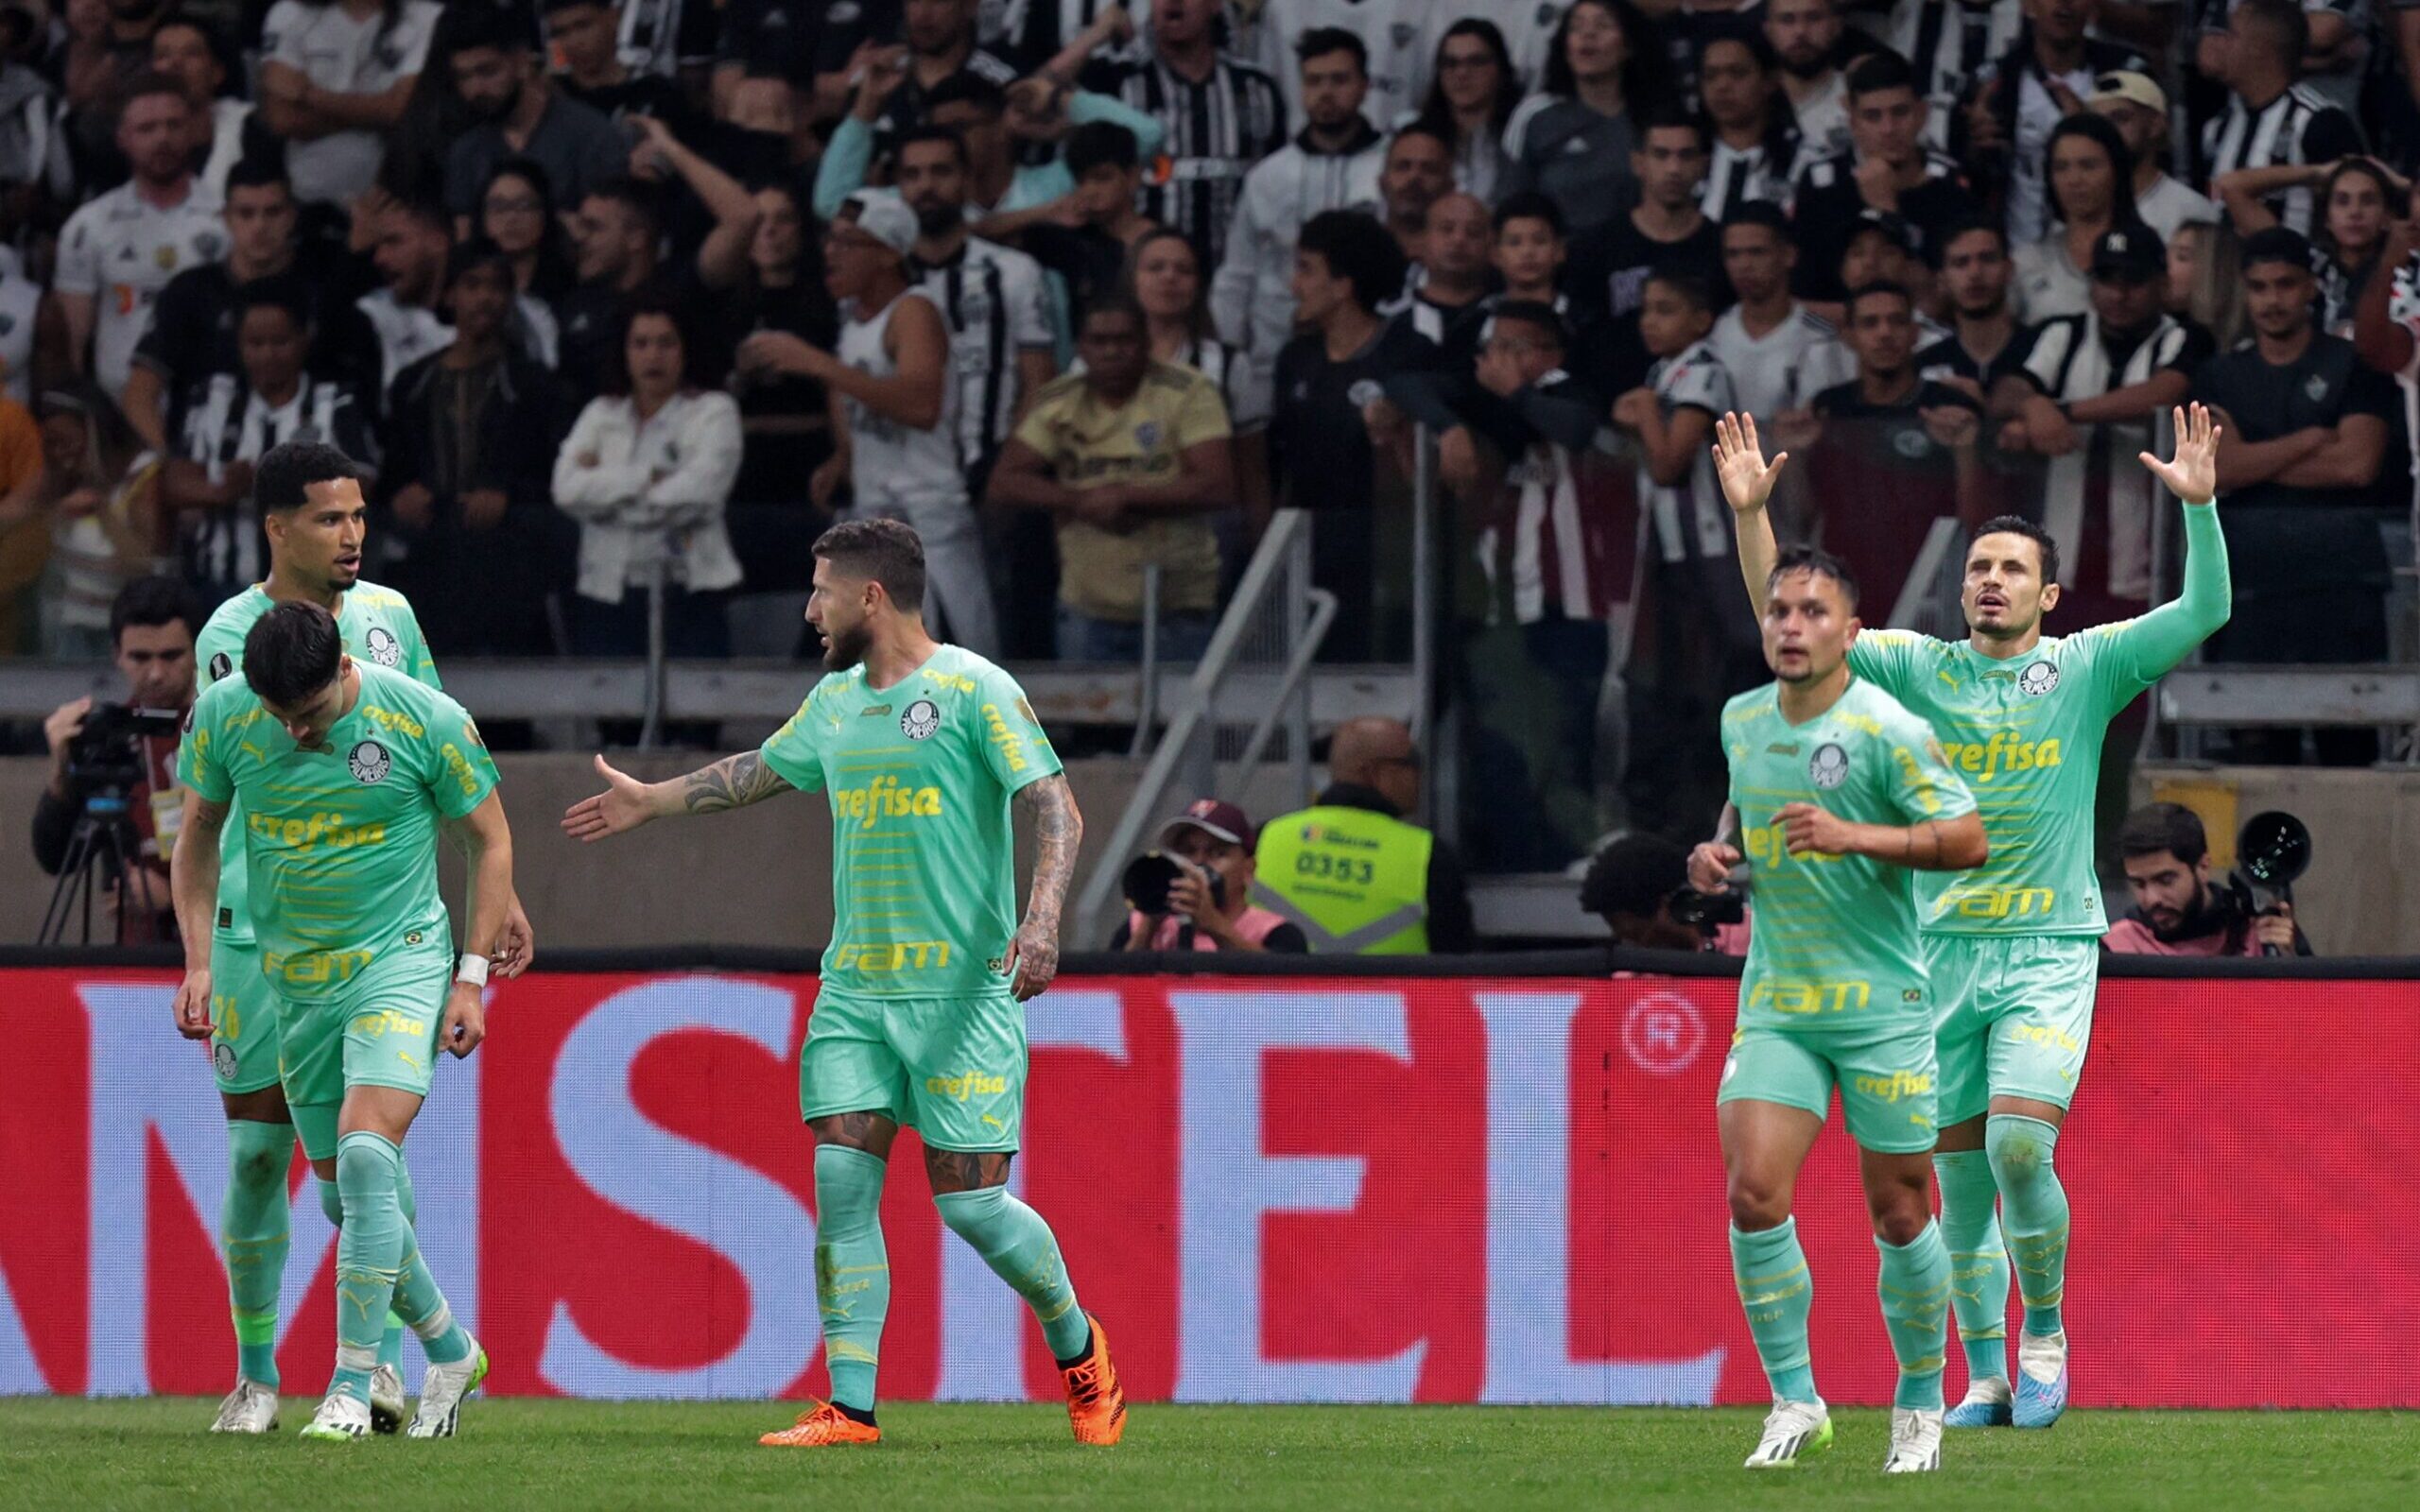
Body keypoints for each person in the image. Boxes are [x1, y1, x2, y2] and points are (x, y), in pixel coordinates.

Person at [1717, 403, 2232, 1434]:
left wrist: (2202, 510)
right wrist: (1752, 516)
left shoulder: (2086, 665)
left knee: (2017, 1149)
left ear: (2047, 592)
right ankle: (1986, 1377)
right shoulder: (1918, 668)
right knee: (1953, 1180)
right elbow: (1798, 624)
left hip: (2045, 950)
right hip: (1929, 956)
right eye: (1976, 567)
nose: (1988, 579)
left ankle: (2044, 1333)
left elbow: (2202, 613)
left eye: (2010, 568)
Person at [562, 516, 1125, 1451]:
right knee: (840, 1180)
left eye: (821, 588)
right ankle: (850, 1407)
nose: (808, 607)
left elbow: (1054, 806)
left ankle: (1080, 1349)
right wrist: (655, 800)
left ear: (871, 595)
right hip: (855, 991)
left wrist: (1042, 917)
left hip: (961, 998)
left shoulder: (975, 688)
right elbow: (761, 772)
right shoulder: (835, 701)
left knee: (974, 1209)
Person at [174, 438, 518, 1435]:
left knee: (366, 1158)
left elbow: (458, 777)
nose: (352, 534)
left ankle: (359, 1374)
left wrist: (487, 935)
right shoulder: (233, 647)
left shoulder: (391, 627)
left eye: (359, 514)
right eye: (330, 518)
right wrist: (198, 955)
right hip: (266, 940)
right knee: (271, 1163)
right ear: (276, 527)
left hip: (393, 937)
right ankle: (266, 1372)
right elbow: (199, 815)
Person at [1684, 541, 1986, 1474]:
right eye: (1780, 610)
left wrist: (1854, 833)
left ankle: (1917, 1401)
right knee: (1752, 1191)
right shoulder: (1741, 718)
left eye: (1814, 612)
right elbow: (1742, 811)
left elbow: (1968, 838)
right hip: (1779, 1001)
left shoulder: (1889, 727)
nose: (1791, 625)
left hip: (1885, 1007)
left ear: (1851, 633)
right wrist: (1715, 855)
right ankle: (1793, 1399)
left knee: (1899, 1210)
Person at [739, 193, 998, 657]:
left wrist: (817, 363)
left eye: (848, 242)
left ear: (887, 252)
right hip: (876, 522)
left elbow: (921, 405)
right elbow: (854, 390)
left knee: (944, 676)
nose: (831, 252)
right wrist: (844, 455)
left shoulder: (913, 310)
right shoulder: (855, 317)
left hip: (927, 523)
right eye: (830, 239)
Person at [2194, 227, 2394, 763]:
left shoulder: (2356, 366)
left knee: (2348, 745)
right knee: (2256, 745)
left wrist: (2254, 458)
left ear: (2310, 288)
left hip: (2342, 578)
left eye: (2285, 284)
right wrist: (2309, 440)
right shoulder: (2219, 375)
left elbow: (2356, 465)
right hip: (2248, 582)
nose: (2272, 299)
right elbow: (2220, 469)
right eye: (2259, 287)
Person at [987, 296, 1235, 662]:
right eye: (1099, 342)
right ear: (1080, 347)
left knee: (1183, 718)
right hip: (1087, 606)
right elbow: (1005, 481)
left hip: (1179, 604)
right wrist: (1081, 503)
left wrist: (1125, 497)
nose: (1112, 352)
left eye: (1125, 340)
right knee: (1089, 718)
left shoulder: (1187, 391)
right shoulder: (1060, 400)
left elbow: (1219, 484)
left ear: (1146, 342)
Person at [1994, 228, 2212, 632]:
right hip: (2060, 572)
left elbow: (2162, 395)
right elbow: (2005, 389)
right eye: (2107, 280)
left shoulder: (2184, 337)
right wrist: (2032, 405)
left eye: (2134, 281)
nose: (2119, 294)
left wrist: (2057, 412)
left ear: (2161, 284)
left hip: (2150, 574)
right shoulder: (2063, 332)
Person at [383, 239, 571, 655]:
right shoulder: (413, 384)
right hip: (431, 560)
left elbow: (557, 470)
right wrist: (402, 494)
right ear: (450, 294)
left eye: (496, 287)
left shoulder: (534, 383)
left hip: (511, 565)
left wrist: (507, 494)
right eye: (472, 285)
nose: (484, 298)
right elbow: (392, 465)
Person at [1265, 209, 1435, 659]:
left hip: (1384, 556)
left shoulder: (1405, 353)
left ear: (1343, 285)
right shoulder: (1295, 359)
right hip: (1306, 553)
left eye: (1306, 269)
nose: (1293, 286)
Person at [125, 158, 380, 455]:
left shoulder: (324, 289)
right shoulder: (190, 292)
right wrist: (169, 463)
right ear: (226, 217)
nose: (259, 226)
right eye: (246, 213)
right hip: (204, 466)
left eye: (272, 212)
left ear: (292, 215)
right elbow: (140, 393)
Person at [163, 284, 381, 609]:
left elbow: (363, 483)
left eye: (280, 342)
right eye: (255, 343)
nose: (267, 354)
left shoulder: (335, 402)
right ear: (239, 343)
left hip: (314, 591)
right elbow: (174, 483)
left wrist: (265, 487)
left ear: (304, 339)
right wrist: (220, 493)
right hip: (219, 586)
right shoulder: (211, 398)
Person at [553, 293, 742, 657]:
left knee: (696, 710)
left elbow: (698, 497)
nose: (652, 356)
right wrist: (646, 478)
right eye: (641, 344)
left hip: (689, 591)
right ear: (624, 351)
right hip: (606, 592)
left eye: (666, 343)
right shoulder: (601, 412)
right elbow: (566, 490)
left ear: (686, 349)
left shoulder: (713, 412)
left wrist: (605, 498)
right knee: (609, 709)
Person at [1210, 27, 1385, 412]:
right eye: (1314, 81)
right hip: (1272, 355)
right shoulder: (1268, 177)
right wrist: (1225, 354)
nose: (1326, 92)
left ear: (1365, 86)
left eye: (1339, 79)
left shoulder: (1390, 169)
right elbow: (1237, 275)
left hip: (1369, 355)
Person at [1800, 282, 1988, 618]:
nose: (1885, 333)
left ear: (1916, 332)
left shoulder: (1952, 407)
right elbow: (1802, 516)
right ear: (1848, 335)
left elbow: (1980, 523)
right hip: (1845, 585)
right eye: (1870, 323)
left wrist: (1965, 450)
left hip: (1933, 583)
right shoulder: (1829, 408)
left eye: (1897, 321)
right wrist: (1794, 456)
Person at [30, 574, 199, 943]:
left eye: (171, 656)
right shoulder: (110, 737)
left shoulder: (229, 726)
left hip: (225, 964)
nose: (155, 673)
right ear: (116, 656)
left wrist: (173, 895)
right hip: (137, 965)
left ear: (197, 651)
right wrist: (61, 771)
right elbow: (55, 858)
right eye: (140, 657)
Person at [892, 125, 1056, 494]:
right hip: (899, 482)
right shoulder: (879, 278)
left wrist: (1010, 471)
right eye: (912, 175)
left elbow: (1040, 384)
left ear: (966, 179)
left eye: (941, 171)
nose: (926, 186)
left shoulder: (1015, 272)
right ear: (898, 187)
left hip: (992, 472)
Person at [50, 71, 221, 404]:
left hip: (205, 408)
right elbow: (72, 342)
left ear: (194, 131)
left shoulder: (226, 217)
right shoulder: (89, 225)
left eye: (174, 125)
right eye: (147, 128)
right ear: (122, 138)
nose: (163, 138)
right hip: (120, 409)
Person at [1253, 715, 1475, 953]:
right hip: (1392, 990)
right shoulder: (1428, 855)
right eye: (1412, 763)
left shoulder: (1265, 838)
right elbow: (1457, 961)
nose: (1419, 775)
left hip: (1282, 990)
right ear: (1373, 773)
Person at [1091, 0, 1286, 269]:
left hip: (1238, 274)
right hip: (1140, 276)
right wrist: (1095, 35)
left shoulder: (1257, 88)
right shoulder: (1116, 81)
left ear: (1215, 5)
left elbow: (1277, 183)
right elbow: (1031, 100)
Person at [1790, 50, 1977, 303]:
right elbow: (1803, 294)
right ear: (1853, 122)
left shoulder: (1950, 184)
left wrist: (1888, 213)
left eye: (1900, 112)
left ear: (1922, 114)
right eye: (1873, 116)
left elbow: (1942, 298)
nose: (1888, 129)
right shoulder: (1821, 184)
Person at [1962, 0, 2147, 249]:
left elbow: (2151, 159)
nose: (2064, 4)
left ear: (2093, 7)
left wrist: (2092, 130)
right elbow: (1969, 178)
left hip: (2109, 251)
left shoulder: (2129, 76)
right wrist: (1974, 148)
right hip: (2019, 254)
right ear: (2027, 6)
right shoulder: (1996, 81)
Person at [440, 2, 627, 227]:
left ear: (521, 61)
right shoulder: (466, 151)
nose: (475, 90)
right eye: (463, 77)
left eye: (487, 72)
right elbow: (465, 243)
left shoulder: (592, 136)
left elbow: (609, 235)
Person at [2198, 0, 2362, 240]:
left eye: (2231, 35)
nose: (2218, 45)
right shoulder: (2218, 129)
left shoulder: (2319, 122)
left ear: (2260, 48)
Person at [258, 0, 444, 210]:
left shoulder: (428, 16)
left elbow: (401, 109)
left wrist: (307, 93)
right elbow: (282, 119)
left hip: (396, 204)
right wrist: (375, 117)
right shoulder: (290, 12)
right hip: (308, 201)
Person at [1499, 0, 1651, 240]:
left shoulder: (1652, 117)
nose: (1588, 34)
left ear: (1628, 46)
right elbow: (1511, 204)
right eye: (1576, 27)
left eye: (1602, 25)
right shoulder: (1535, 115)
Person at [1570, 111, 1725, 333]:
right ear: (1638, 163)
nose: (1674, 168)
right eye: (1661, 155)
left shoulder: (1722, 247)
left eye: (1686, 155)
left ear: (1704, 165)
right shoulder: (1598, 248)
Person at [1711, 204, 1854, 427]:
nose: (1744, 265)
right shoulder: (1713, 333)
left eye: (1757, 252)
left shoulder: (1822, 339)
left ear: (1788, 255)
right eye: (1733, 254)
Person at [2102, 801, 2308, 955]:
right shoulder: (2116, 946)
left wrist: (2289, 962)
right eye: (2139, 884)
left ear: (2203, 866)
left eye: (2165, 880)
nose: (2151, 898)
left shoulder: (2258, 932)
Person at [1114, 798, 1307, 952]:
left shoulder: (1274, 932)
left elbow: (1284, 988)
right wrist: (1148, 926)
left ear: (1248, 869)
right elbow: (1106, 989)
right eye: (1187, 852)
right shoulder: (1139, 924)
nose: (1198, 863)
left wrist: (1214, 925)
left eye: (1217, 854)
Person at [2010, 112, 2139, 323]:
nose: (2074, 180)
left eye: (2088, 166)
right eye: (2061, 167)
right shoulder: (2027, 263)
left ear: (2116, 170)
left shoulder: (2143, 252)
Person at [2086, 70, 2218, 248]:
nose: (2106, 131)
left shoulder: (2191, 210)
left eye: (2120, 118)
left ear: (2156, 124)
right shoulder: (2080, 204)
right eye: (2097, 122)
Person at [149, 15, 272, 202]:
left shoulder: (253, 130)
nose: (175, 63)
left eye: (191, 53)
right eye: (163, 55)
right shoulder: (129, 139)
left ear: (217, 73)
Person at [475, 156, 576, 368]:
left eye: (524, 205)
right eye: (499, 206)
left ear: (545, 214)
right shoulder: (464, 290)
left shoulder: (569, 294)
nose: (511, 218)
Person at [1407, 18, 1519, 205]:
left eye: (1476, 62)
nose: (1462, 73)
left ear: (1500, 69)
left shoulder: (1523, 135)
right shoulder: (1416, 136)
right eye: (1450, 63)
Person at [357, 194, 457, 402]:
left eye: (394, 242)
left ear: (437, 242)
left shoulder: (484, 318)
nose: (379, 258)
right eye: (377, 246)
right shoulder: (371, 313)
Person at [1581, 831, 1748, 953]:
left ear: (1666, 905)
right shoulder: (1633, 975)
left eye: (1635, 935)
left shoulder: (1759, 937)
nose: (1629, 945)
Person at [1920, 220, 2036, 392]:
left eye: (1988, 259)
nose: (1975, 273)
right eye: (1961, 263)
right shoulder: (1924, 364)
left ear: (2009, 269)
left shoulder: (2041, 350)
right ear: (1942, 280)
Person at [1698, 30, 1801, 220]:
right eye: (1710, 75)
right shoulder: (1687, 156)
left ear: (1769, 81)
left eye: (1737, 74)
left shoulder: (1803, 157)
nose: (1722, 86)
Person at [1392, 192, 1492, 362]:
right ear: (1421, 241)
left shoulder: (1504, 317)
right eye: (1446, 229)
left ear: (1492, 246)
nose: (1459, 240)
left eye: (1473, 232)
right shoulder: (1389, 316)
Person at [1765, 0, 1851, 163]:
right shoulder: (1752, 102)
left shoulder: (1859, 97)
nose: (1800, 31)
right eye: (1787, 20)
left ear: (1837, 26)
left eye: (1814, 18)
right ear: (1769, 31)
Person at [1376, 123, 1455, 267]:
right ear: (1382, 182)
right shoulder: (1358, 251)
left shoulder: (1463, 259)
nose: (1414, 177)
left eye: (1430, 169)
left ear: (1450, 187)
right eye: (1403, 166)